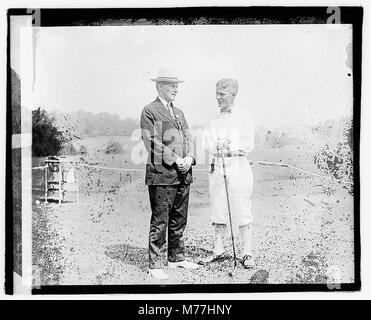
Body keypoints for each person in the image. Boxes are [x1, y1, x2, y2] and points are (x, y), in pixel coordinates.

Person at [140, 69, 199, 280]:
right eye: (170, 85)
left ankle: (176, 258)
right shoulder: (150, 111)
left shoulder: (180, 112)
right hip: (162, 174)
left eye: (176, 85)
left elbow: (189, 136)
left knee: (179, 218)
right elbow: (152, 142)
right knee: (161, 219)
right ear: (159, 87)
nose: (176, 89)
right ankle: (155, 264)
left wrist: (190, 158)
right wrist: (176, 160)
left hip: (183, 174)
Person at [203, 78, 255, 268]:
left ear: (233, 94)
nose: (218, 98)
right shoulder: (211, 118)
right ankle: (218, 250)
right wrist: (217, 147)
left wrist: (227, 146)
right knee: (218, 209)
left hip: (239, 170)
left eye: (222, 94)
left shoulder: (245, 116)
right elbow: (206, 144)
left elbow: (248, 145)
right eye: (216, 94)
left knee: (242, 209)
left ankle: (247, 252)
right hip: (217, 169)